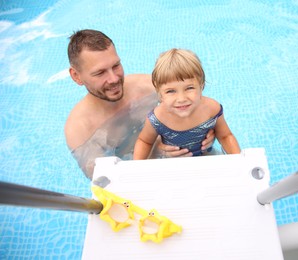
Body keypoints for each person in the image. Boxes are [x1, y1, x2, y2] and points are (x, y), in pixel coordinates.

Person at [64, 30, 215, 179]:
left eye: (116, 66)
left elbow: (198, 105)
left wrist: (207, 130)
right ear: (76, 76)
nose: (114, 78)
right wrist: (154, 151)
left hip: (187, 155)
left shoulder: (147, 87)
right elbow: (106, 181)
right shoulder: (80, 130)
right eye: (100, 73)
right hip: (144, 179)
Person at [133, 48, 240, 159]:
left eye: (189, 88)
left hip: (206, 156)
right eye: (171, 91)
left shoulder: (211, 109)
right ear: (160, 93)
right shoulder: (158, 118)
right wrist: (136, 168)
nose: (181, 99)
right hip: (172, 162)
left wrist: (240, 161)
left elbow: (226, 136)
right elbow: (144, 142)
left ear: (201, 85)